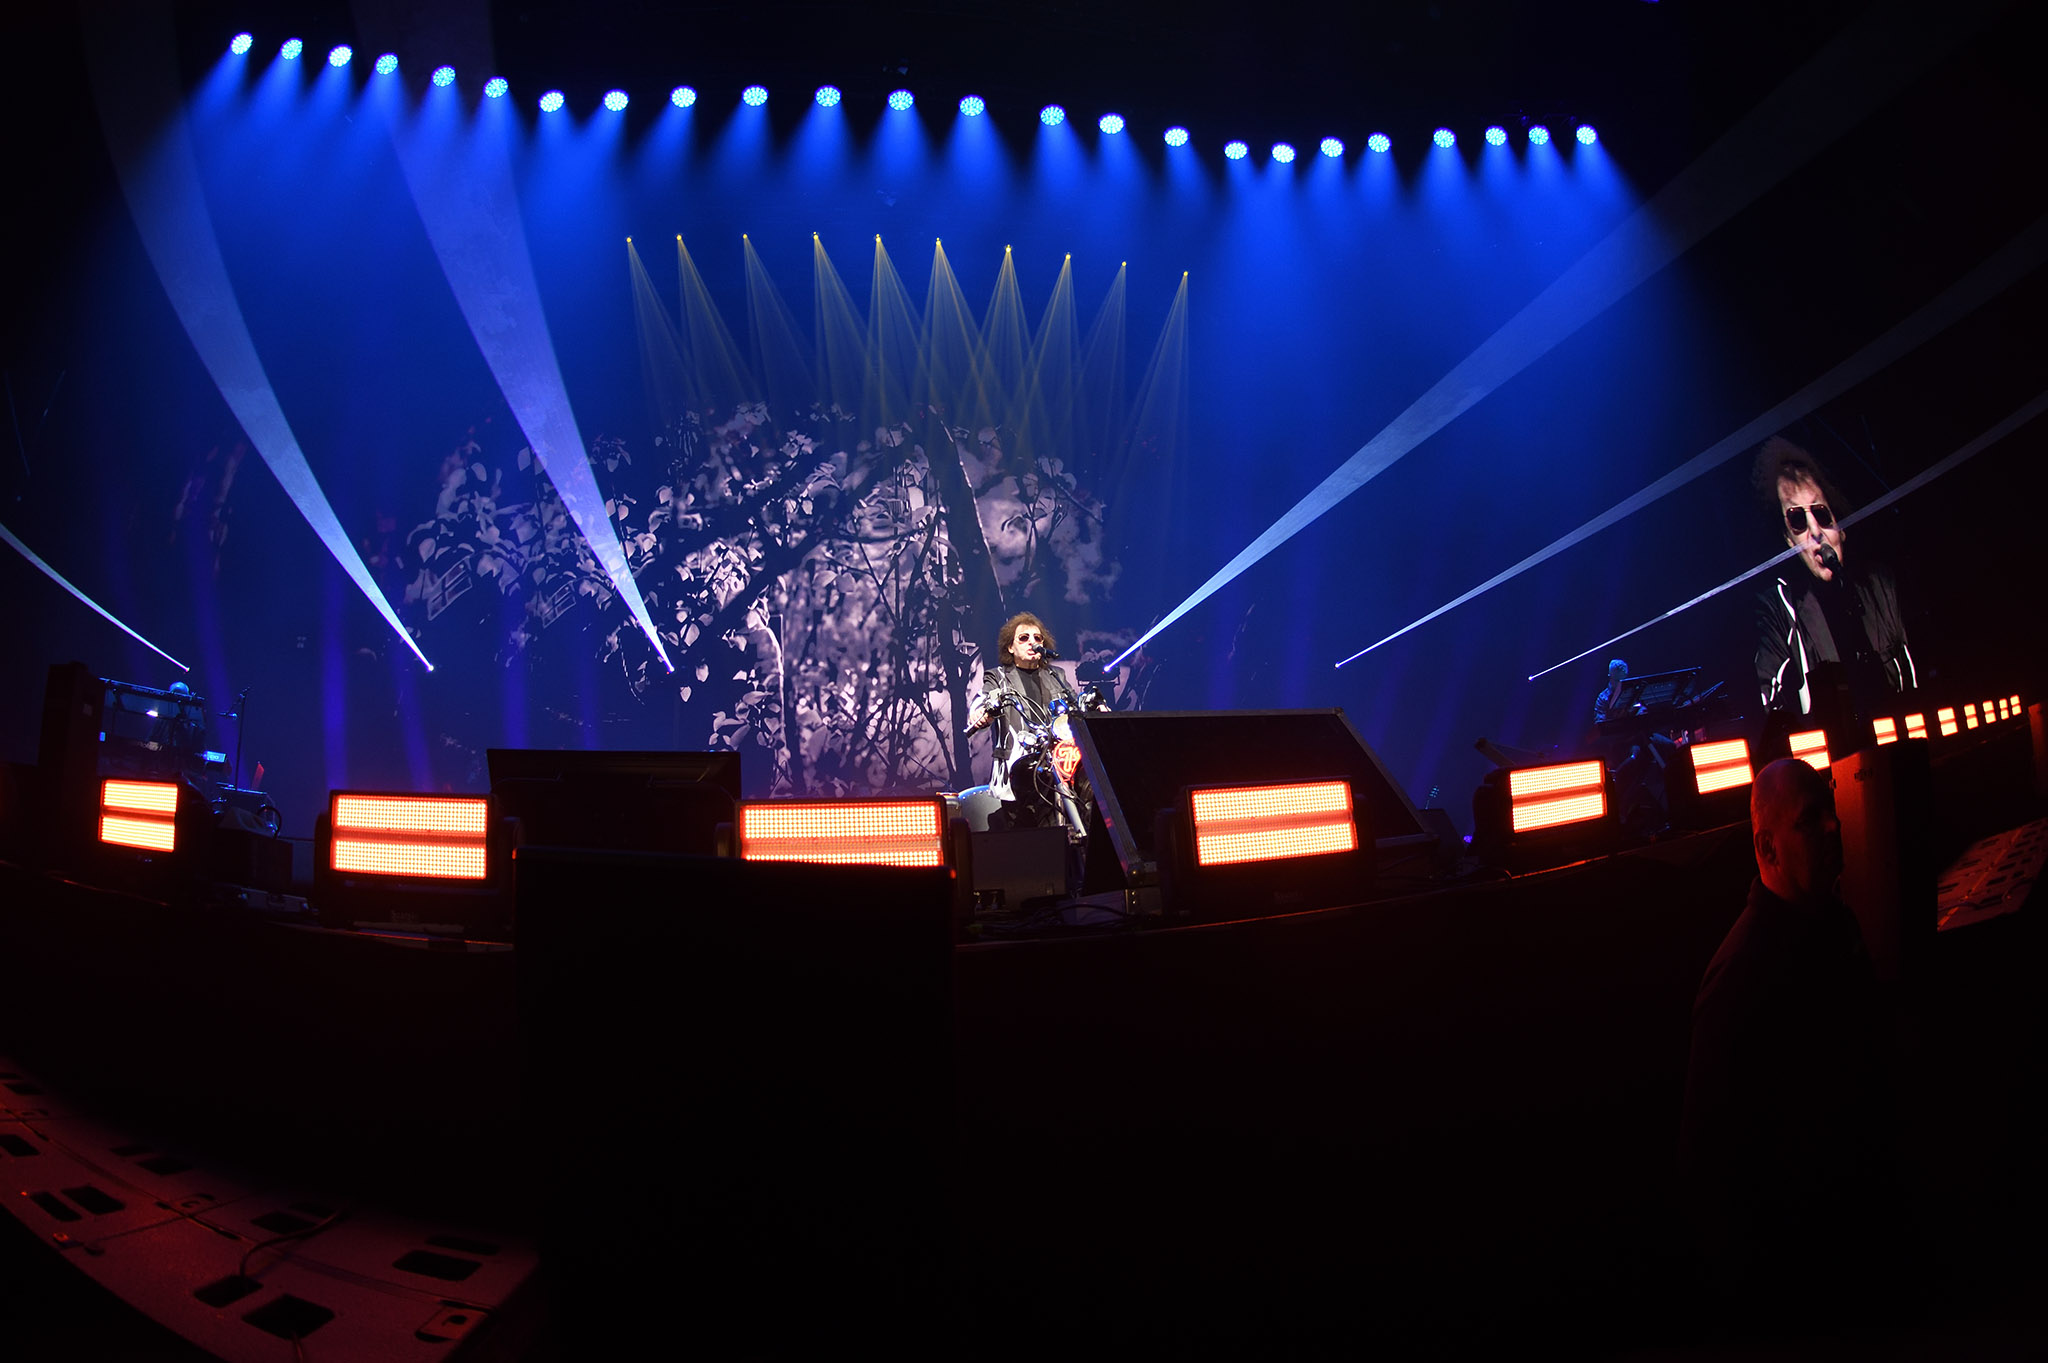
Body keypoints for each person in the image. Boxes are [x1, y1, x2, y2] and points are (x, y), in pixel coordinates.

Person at [1678, 757, 1909, 1327]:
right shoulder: (1739, 978)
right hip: (1805, 1285)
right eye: (1810, 819)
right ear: (1768, 847)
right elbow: (1714, 1173)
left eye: (1830, 810)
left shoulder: (1833, 922)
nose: (1834, 826)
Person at [1752, 438, 1918, 730]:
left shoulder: (1879, 585)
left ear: (1840, 527)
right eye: (1797, 520)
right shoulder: (1778, 606)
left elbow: (1913, 684)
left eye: (1821, 514)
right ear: (1789, 540)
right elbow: (1772, 710)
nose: (1816, 532)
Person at [966, 612, 1087, 832]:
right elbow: (983, 700)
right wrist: (981, 713)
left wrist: (1091, 709)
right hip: (1019, 770)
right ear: (1010, 647)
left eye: (1037, 638)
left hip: (1057, 765)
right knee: (1024, 834)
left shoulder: (1055, 675)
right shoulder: (998, 676)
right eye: (1023, 638)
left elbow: (1074, 706)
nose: (1032, 642)